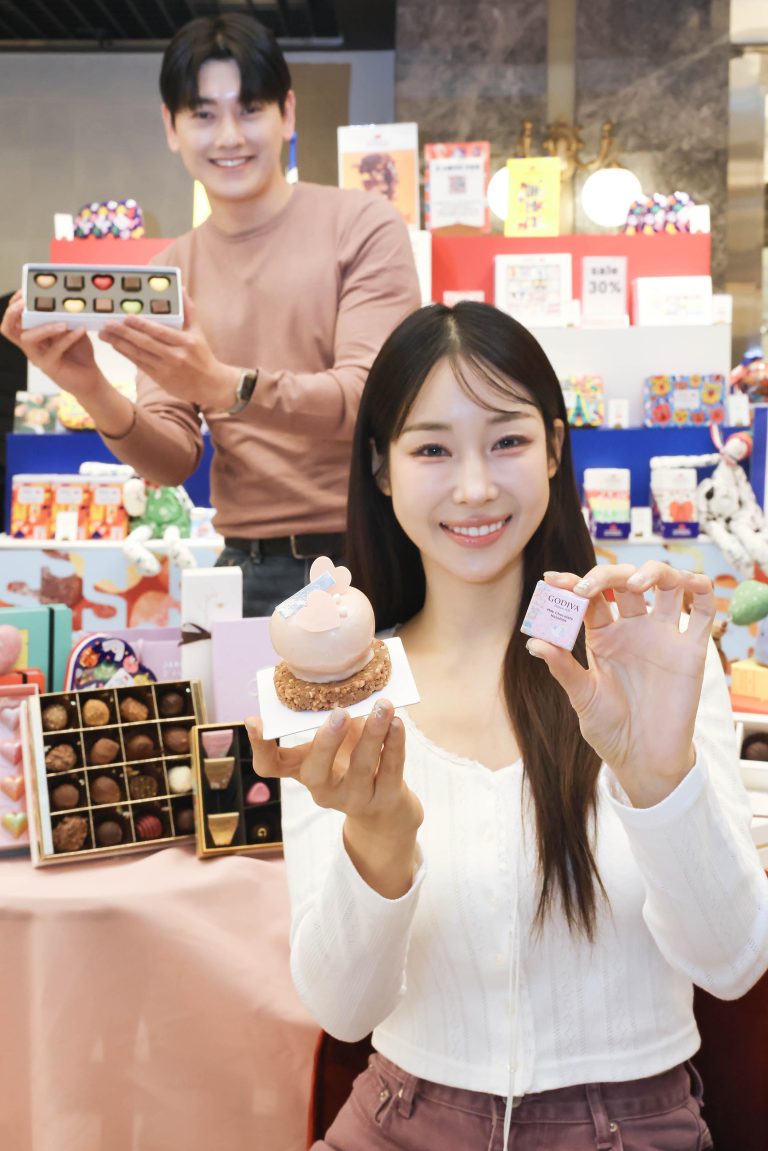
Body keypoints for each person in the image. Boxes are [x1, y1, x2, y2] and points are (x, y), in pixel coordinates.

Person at [247, 301, 768, 1151]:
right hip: (400, 1120)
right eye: (432, 449)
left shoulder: (644, 663)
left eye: (508, 440)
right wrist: (379, 834)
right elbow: (344, 1010)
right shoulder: (340, 692)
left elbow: (733, 961)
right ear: (381, 467)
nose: (475, 487)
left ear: (555, 448)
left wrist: (655, 779)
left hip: (632, 1127)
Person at [0, 14, 420, 615]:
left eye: (249, 109)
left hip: (372, 556)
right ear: (171, 127)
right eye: (203, 114)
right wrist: (90, 388)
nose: (228, 136)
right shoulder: (170, 271)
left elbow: (372, 402)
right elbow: (173, 459)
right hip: (247, 571)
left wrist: (224, 386)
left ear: (287, 114)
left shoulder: (363, 225)